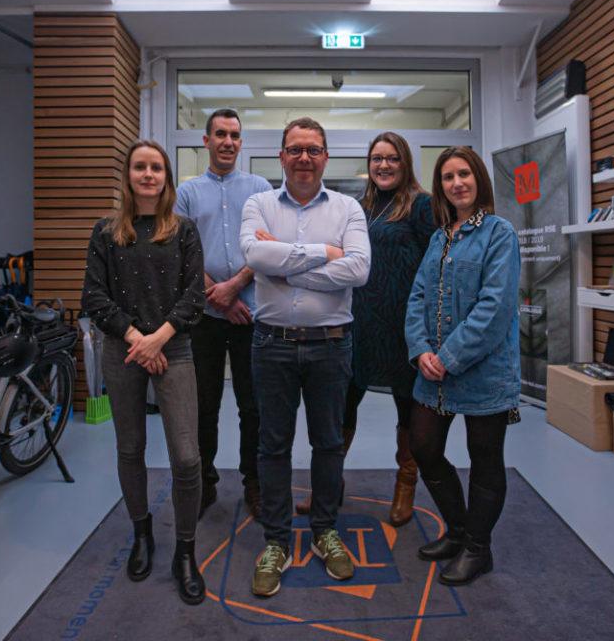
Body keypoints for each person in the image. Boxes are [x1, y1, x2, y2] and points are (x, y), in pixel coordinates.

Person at [240, 117, 371, 597]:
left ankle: (324, 531)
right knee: (272, 445)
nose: (304, 158)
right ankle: (277, 541)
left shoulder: (348, 207)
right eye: (295, 149)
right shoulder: (258, 204)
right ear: (281, 156)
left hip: (331, 345)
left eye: (313, 150)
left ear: (325, 157)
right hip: (271, 344)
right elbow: (255, 257)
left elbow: (358, 269)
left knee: (328, 443)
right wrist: (324, 253)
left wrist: (287, 268)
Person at [81, 139, 207, 605]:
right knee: (131, 448)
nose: (148, 174)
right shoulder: (106, 232)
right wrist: (140, 340)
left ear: (166, 177)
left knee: (187, 457)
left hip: (175, 349)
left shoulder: (184, 231)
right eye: (140, 167)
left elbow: (195, 295)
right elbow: (94, 297)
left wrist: (160, 338)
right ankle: (141, 533)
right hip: (124, 351)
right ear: (128, 175)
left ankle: (185, 551)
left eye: (156, 167)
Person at [296, 132, 435, 527]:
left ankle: (405, 485)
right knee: (341, 407)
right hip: (359, 324)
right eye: (377, 158)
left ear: (405, 163)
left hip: (405, 327)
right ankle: (329, 486)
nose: (383, 165)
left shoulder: (422, 205)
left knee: (407, 409)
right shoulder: (359, 208)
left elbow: (434, 265)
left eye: (392, 158)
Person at [405, 145, 521, 586]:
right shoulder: (440, 236)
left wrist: (448, 357)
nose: (457, 183)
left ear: (479, 179)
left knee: (485, 458)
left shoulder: (499, 233)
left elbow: (495, 308)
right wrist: (420, 349)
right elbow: (417, 296)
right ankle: (457, 531)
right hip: (431, 370)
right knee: (423, 447)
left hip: (483, 370)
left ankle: (478, 547)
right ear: (440, 187)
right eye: (448, 177)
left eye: (464, 174)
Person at [175, 108, 271, 520]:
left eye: (234, 135)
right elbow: (180, 253)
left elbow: (269, 246)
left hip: (252, 315)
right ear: (206, 141)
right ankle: (205, 482)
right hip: (205, 319)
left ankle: (254, 483)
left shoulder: (260, 189)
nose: (228, 142)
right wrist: (221, 297)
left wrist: (236, 287)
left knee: (254, 407)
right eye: (220, 134)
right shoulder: (187, 193)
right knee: (204, 406)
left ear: (240, 142)